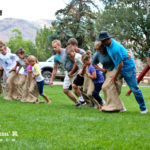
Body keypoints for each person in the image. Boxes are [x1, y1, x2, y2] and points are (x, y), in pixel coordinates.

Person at [97, 31, 148, 114]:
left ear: (108, 39)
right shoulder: (107, 45)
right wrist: (126, 52)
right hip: (118, 67)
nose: (101, 43)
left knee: (134, 89)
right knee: (109, 86)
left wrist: (115, 76)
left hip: (128, 68)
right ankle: (119, 106)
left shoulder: (115, 48)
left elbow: (121, 64)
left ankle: (143, 108)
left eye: (102, 41)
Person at [93, 41, 126, 112]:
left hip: (116, 70)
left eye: (100, 49)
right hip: (107, 72)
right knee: (106, 87)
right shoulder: (97, 54)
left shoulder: (110, 51)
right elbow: (94, 63)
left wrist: (127, 54)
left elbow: (120, 56)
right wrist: (101, 70)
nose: (99, 51)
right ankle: (118, 106)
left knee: (115, 89)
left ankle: (118, 106)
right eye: (97, 50)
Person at [49, 40, 79, 105]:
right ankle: (77, 103)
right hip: (68, 73)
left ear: (59, 46)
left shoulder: (66, 52)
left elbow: (75, 62)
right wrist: (51, 80)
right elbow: (55, 69)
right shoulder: (56, 57)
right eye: (53, 47)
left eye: (55, 47)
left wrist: (72, 71)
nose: (54, 49)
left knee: (76, 88)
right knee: (65, 90)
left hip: (75, 72)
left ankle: (86, 102)